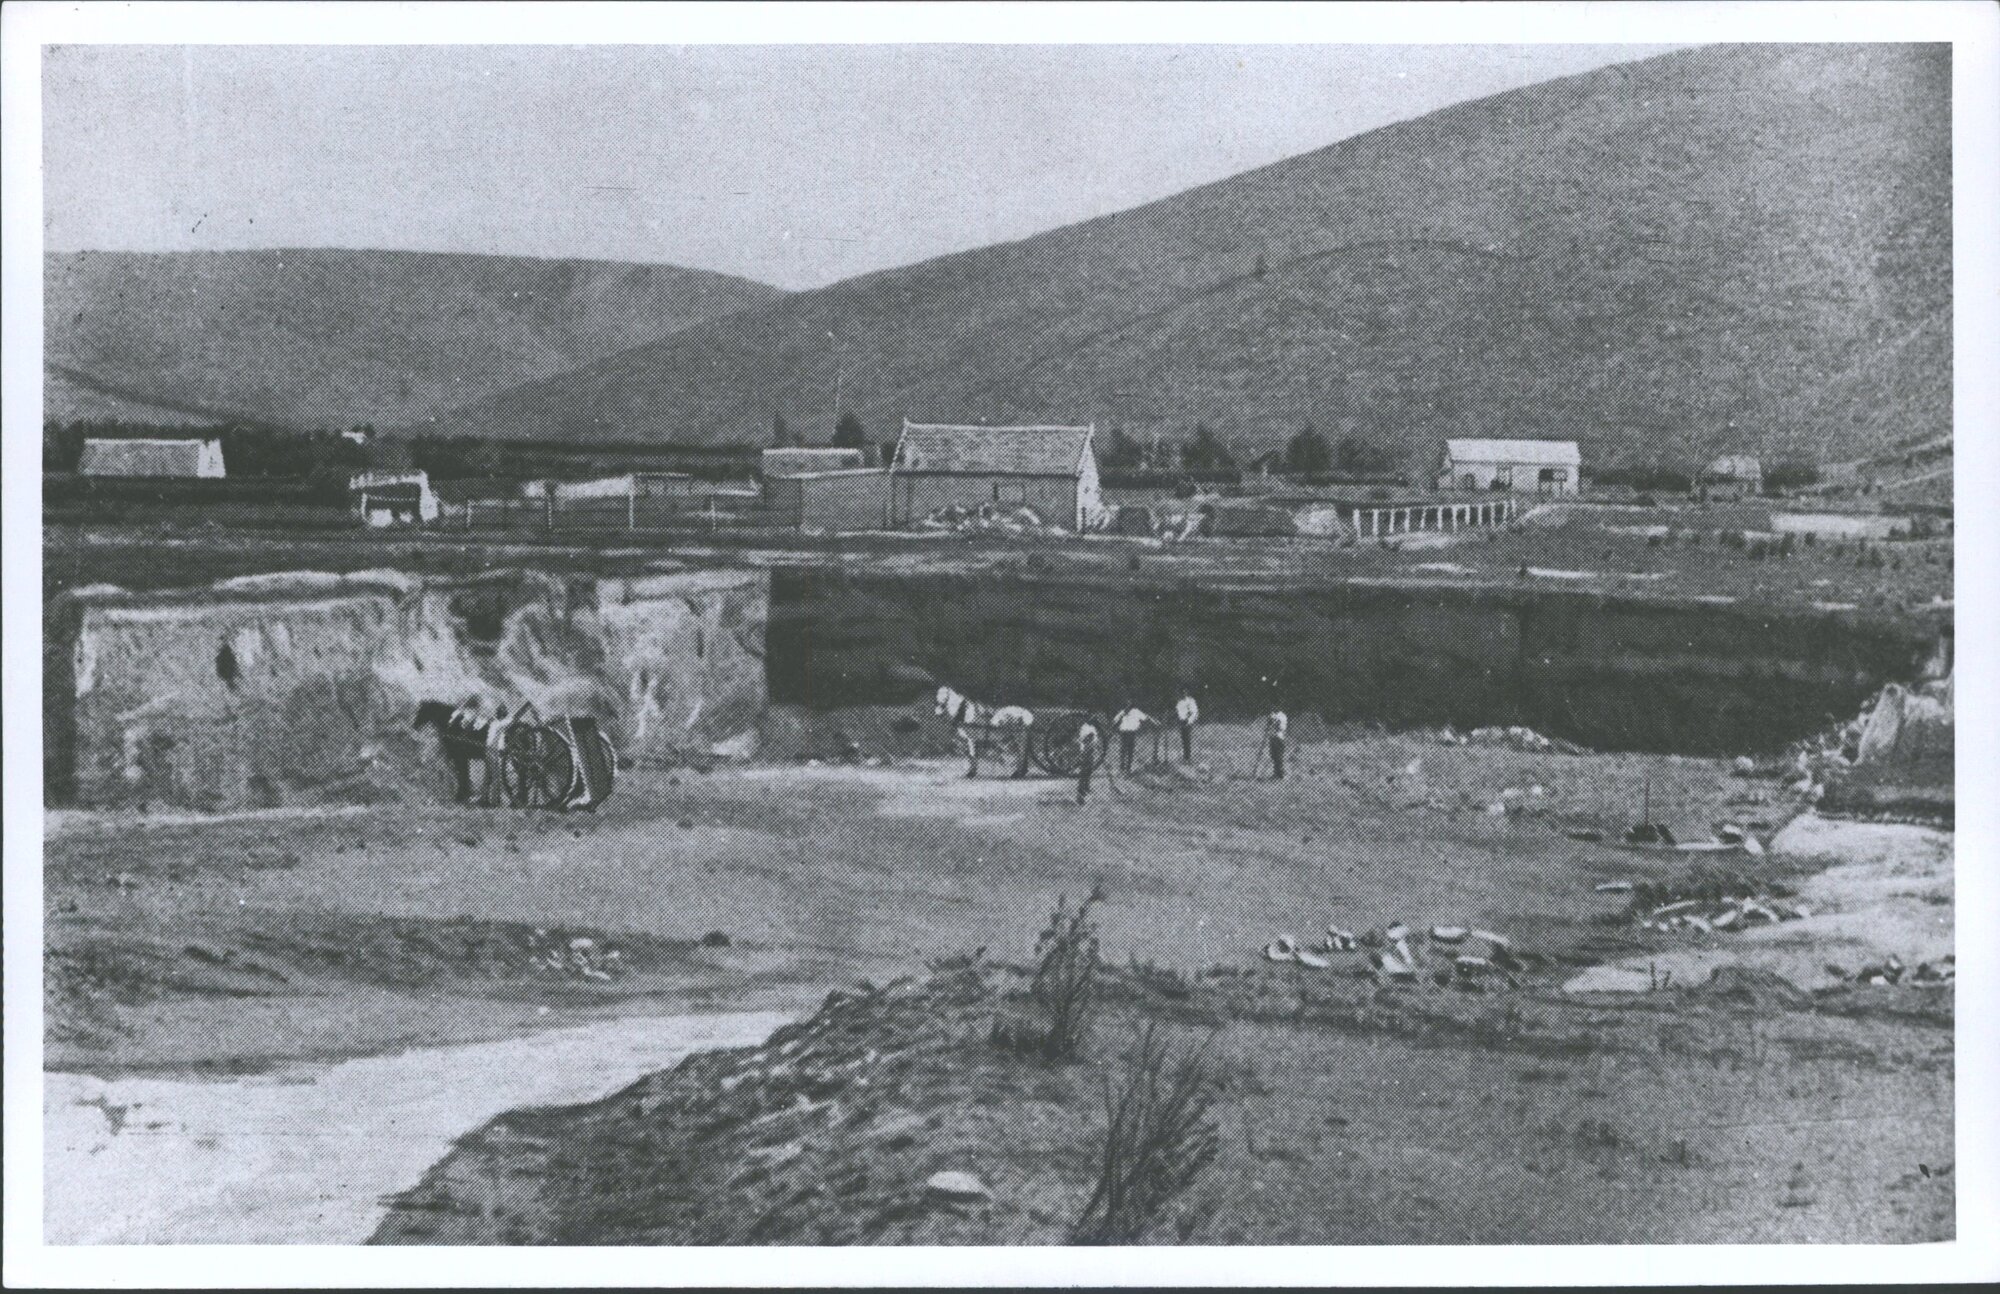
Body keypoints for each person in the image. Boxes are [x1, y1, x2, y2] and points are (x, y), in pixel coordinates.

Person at [480, 704, 514, 806]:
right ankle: (495, 801)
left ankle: (484, 799)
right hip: (494, 752)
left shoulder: (493, 723)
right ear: (503, 715)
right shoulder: (500, 724)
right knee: (496, 777)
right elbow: (511, 720)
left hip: (488, 750)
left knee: (487, 777)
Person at [1112, 705, 1152, 774]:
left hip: (1131, 733)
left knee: (1130, 750)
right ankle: (1122, 767)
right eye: (1126, 704)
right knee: (1123, 750)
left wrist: (1152, 721)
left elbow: (1145, 718)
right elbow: (1115, 720)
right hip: (1124, 733)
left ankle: (1128, 768)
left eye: (1129, 703)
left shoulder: (1136, 711)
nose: (1127, 705)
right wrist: (1120, 717)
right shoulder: (1122, 712)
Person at [1075, 717, 1103, 805]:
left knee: (1089, 770)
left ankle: (1086, 787)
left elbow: (1095, 739)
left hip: (1091, 751)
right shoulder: (1084, 727)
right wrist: (1089, 737)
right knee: (1084, 771)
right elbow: (1083, 739)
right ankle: (1080, 792)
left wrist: (1097, 746)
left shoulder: (1093, 727)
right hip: (1085, 751)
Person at [1174, 690, 1200, 763]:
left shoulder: (1191, 701)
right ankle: (1185, 757)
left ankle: (1188, 757)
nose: (1183, 694)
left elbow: (1194, 711)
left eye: (1185, 692)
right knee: (1184, 739)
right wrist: (1179, 719)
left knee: (1187, 739)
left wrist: (1190, 720)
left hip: (1188, 721)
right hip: (1182, 721)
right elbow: (1178, 711)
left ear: (1187, 693)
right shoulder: (1180, 702)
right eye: (1182, 693)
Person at [1263, 705, 1289, 780]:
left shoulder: (1282, 716)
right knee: (1273, 756)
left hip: (1279, 738)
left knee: (1279, 757)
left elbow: (1281, 728)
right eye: (1273, 707)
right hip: (1272, 738)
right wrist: (1269, 721)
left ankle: (1281, 775)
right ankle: (1275, 774)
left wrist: (1274, 721)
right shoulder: (1272, 715)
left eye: (1276, 706)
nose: (1274, 708)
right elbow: (1268, 727)